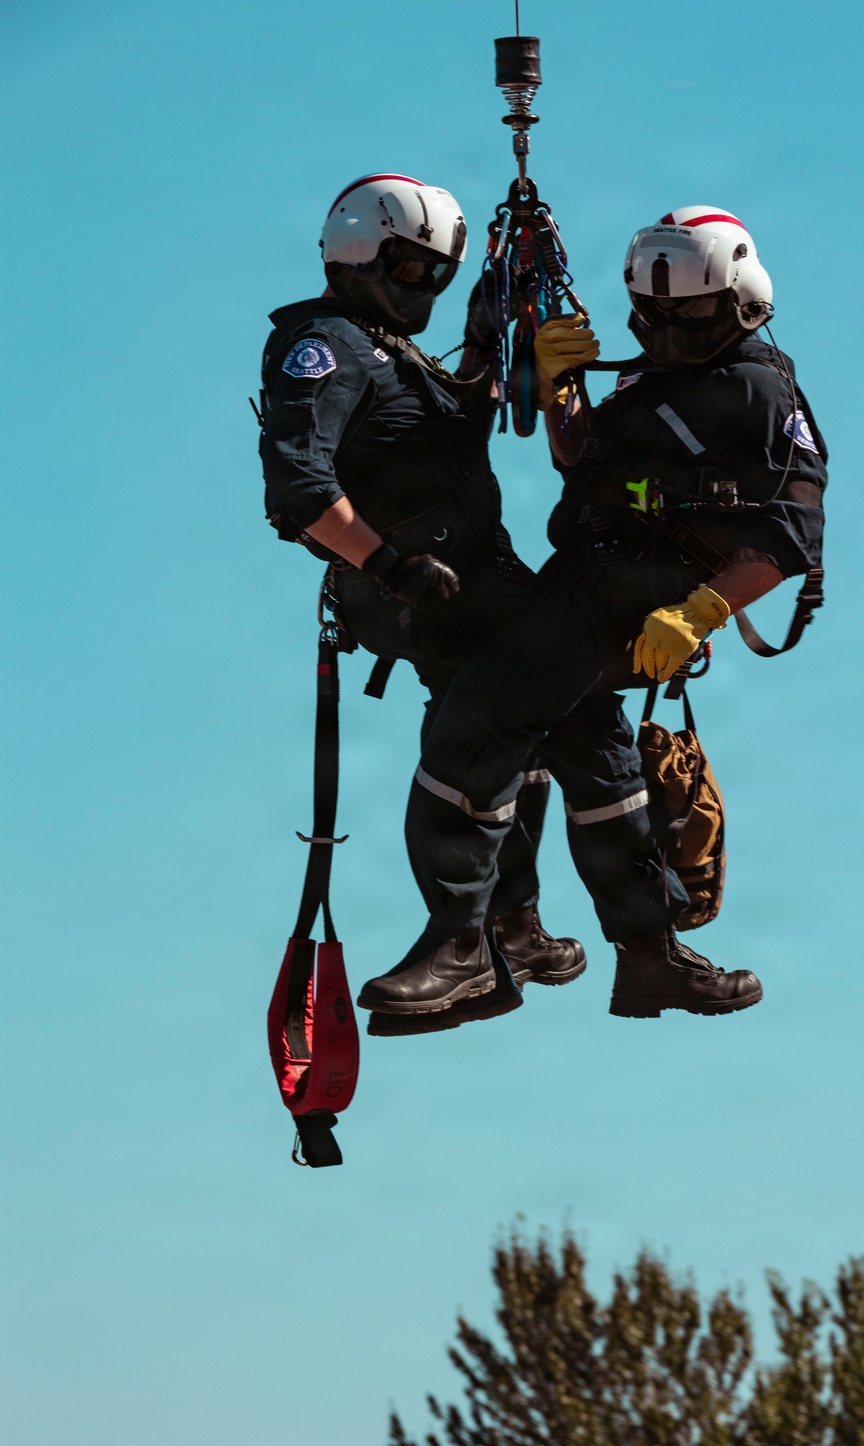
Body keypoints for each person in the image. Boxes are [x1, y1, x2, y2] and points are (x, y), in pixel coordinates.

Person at [359, 205, 828, 1021]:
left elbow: (796, 533)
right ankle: (649, 955)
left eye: (694, 317)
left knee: (477, 715)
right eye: (658, 319)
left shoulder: (758, 389)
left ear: (744, 298)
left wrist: (702, 610)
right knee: (591, 748)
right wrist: (560, 387)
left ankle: (462, 948)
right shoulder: (652, 376)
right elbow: (584, 458)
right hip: (588, 580)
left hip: (640, 599)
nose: (675, 334)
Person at [257, 173, 586, 1021]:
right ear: (359, 251)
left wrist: (487, 339)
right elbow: (298, 491)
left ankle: (511, 924)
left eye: (438, 274)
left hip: (477, 581)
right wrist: (390, 566)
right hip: (420, 594)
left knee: (529, 732)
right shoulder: (325, 347)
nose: (424, 289)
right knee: (486, 735)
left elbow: (443, 432)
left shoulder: (388, 348)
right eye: (411, 270)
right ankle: (465, 942)